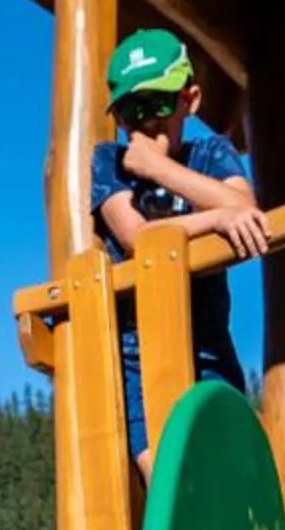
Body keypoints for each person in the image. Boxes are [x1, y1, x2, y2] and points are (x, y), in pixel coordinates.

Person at [91, 29, 270, 473]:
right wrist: (213, 220)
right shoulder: (107, 162)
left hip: (208, 342)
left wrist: (160, 169)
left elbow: (244, 206)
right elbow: (136, 238)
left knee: (231, 464)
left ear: (189, 100)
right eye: (132, 111)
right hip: (136, 351)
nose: (146, 122)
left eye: (158, 104)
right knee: (167, 474)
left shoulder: (211, 153)